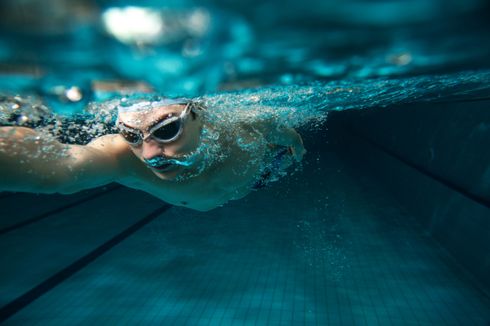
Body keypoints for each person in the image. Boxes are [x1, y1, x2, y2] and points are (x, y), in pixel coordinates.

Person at [0, 98, 306, 211]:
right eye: (131, 135)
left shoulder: (249, 125)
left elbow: (288, 137)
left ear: (200, 113)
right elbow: (64, 169)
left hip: (263, 174)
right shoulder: (122, 158)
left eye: (166, 130)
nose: (147, 153)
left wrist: (298, 152)